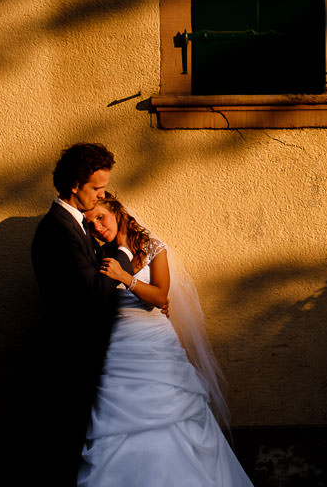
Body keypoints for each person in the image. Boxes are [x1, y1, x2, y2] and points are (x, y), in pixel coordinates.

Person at [78, 194, 253, 487]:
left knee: (174, 417)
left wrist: (127, 278)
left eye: (100, 218)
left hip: (155, 342)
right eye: (89, 223)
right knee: (116, 418)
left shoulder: (151, 246)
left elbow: (161, 296)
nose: (96, 227)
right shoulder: (100, 255)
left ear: (116, 211)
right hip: (118, 347)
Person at [30, 143, 134, 484]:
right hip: (72, 354)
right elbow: (91, 291)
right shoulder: (57, 230)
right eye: (96, 188)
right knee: (70, 444)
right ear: (75, 185)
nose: (102, 194)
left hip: (86, 350)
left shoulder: (77, 226)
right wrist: (121, 252)